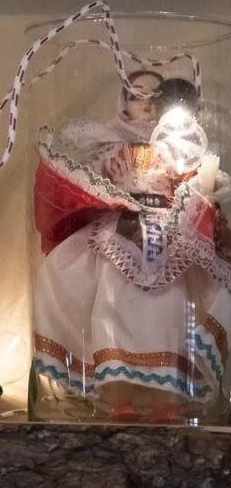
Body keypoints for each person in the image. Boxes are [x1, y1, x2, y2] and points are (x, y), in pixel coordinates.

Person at [32, 71, 231, 422]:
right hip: (119, 233)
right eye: (137, 94)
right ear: (124, 100)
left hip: (169, 238)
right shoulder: (109, 146)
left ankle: (167, 398)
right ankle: (118, 394)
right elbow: (88, 182)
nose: (146, 102)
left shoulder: (179, 146)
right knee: (111, 300)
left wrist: (211, 188)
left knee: (170, 307)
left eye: (154, 95)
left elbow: (203, 181)